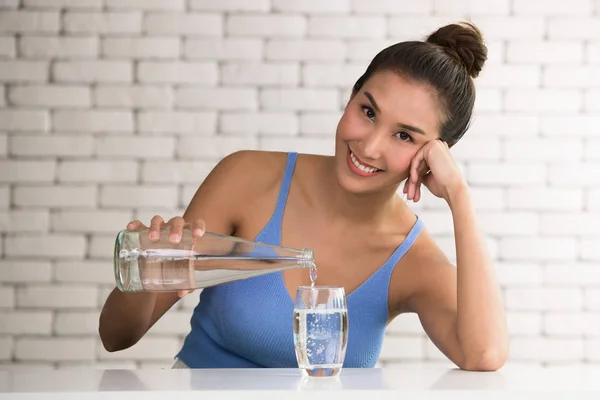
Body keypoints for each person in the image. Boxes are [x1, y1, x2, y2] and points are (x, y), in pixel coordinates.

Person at [99, 22, 509, 371]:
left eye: (404, 136)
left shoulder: (411, 259)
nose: (368, 147)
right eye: (367, 111)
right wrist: (147, 271)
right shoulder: (248, 178)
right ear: (351, 98)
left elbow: (484, 354)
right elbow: (117, 337)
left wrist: (459, 195)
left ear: (432, 155)